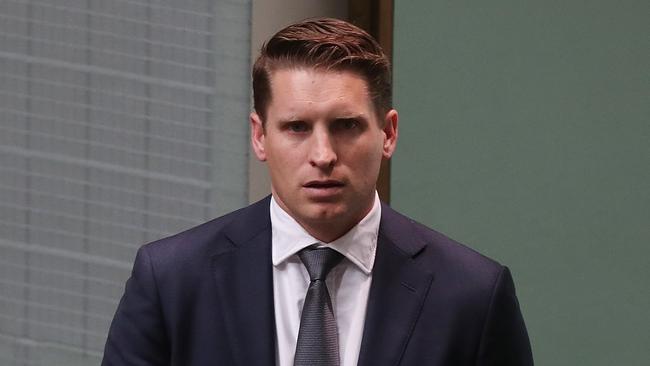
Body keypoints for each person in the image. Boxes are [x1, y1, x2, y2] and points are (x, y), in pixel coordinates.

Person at [102, 18, 533, 366]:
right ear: (259, 136)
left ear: (388, 133)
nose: (323, 155)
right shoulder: (172, 280)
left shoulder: (472, 295)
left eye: (346, 126)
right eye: (297, 127)